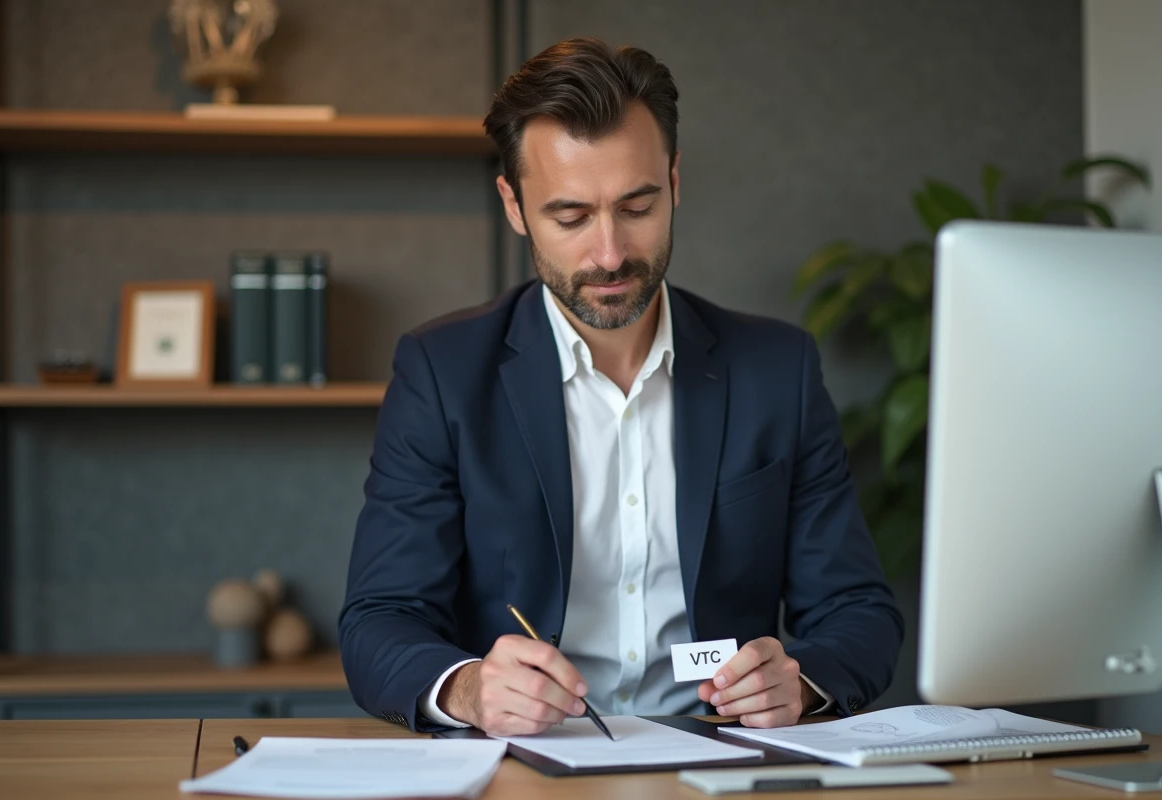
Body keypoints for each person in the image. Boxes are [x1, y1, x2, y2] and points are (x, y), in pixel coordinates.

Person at [338, 36, 903, 735]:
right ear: (514, 206)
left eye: (637, 208)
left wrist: (801, 682)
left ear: (674, 181)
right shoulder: (442, 373)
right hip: (526, 769)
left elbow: (859, 612)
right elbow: (379, 620)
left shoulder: (776, 369)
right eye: (570, 217)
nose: (610, 254)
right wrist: (469, 689)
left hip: (722, 761)